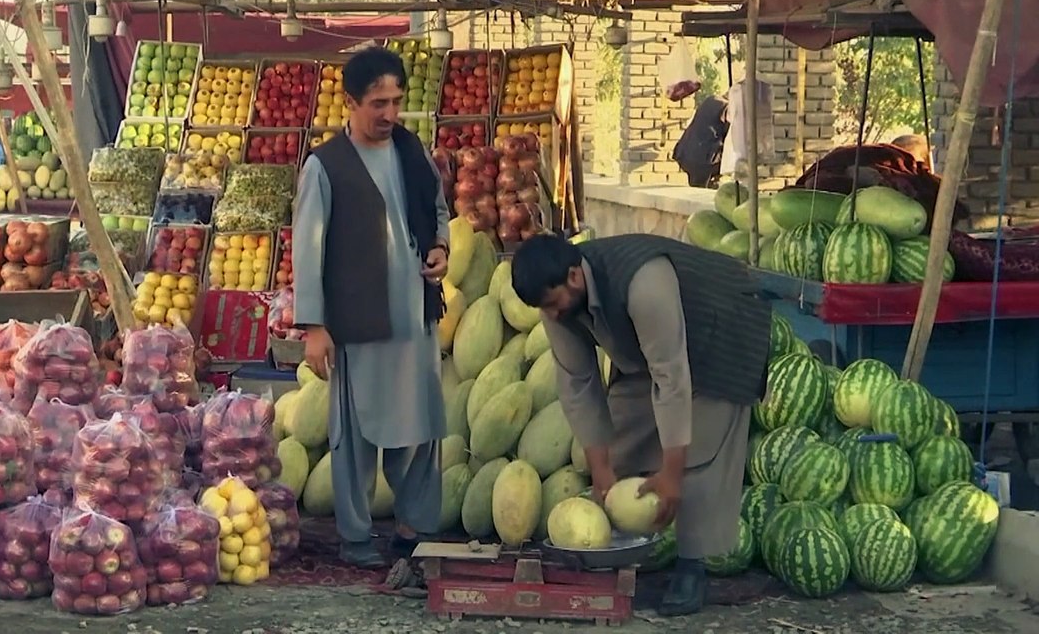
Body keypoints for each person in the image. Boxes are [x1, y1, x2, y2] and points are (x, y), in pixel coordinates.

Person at [510, 233, 771, 617]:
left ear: (573, 277)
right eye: (542, 308)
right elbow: (577, 382)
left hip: (720, 332)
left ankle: (692, 566)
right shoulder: (558, 307)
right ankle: (635, 547)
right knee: (620, 438)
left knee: (698, 451)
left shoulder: (644, 281)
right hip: (649, 352)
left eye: (551, 304)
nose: (549, 314)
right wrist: (600, 465)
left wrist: (671, 471)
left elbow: (671, 378)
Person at [292, 46, 449, 569]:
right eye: (378, 103)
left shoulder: (411, 150)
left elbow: (438, 207)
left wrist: (440, 248)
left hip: (415, 321)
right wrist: (314, 326)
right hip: (359, 324)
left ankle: (414, 528)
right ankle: (356, 537)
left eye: (396, 102)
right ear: (351, 102)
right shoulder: (324, 166)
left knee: (420, 428)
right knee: (356, 437)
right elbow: (307, 248)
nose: (389, 114)